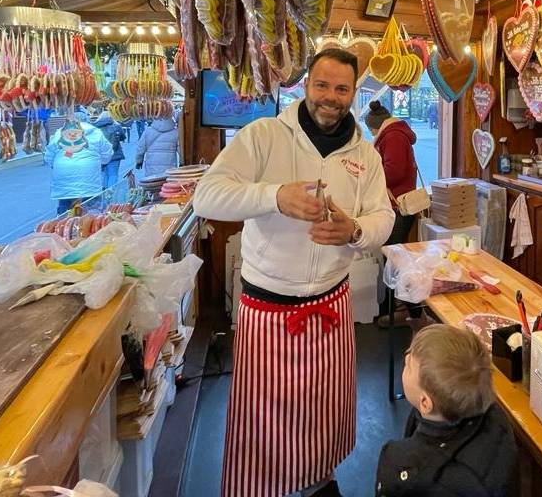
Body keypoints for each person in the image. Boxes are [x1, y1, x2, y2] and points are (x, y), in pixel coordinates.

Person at [193, 48, 394, 497]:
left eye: (342, 89)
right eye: (322, 85)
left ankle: (320, 482)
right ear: (306, 85)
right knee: (264, 421)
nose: (330, 97)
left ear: (353, 94)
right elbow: (207, 196)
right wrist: (275, 196)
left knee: (323, 413)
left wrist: (356, 230)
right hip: (268, 308)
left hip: (331, 304)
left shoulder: (366, 154)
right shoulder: (264, 135)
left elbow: (384, 216)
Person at [375, 324, 518, 496]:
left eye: (408, 364)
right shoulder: (498, 420)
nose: (406, 355)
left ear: (425, 402)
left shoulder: (400, 465)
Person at [364, 101, 427, 329]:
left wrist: (369, 175)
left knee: (396, 260)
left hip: (399, 207)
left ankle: (408, 312)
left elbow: (395, 171)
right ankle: (402, 310)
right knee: (394, 258)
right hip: (396, 206)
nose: (371, 132)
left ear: (377, 125)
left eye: (371, 129)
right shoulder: (395, 134)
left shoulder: (393, 137)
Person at [44, 119, 113, 215]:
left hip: (64, 184)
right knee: (91, 213)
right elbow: (107, 155)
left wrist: (57, 165)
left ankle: (63, 222)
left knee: (64, 213)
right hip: (89, 182)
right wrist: (98, 162)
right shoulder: (96, 133)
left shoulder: (59, 134)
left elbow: (48, 157)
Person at [93, 110, 126, 188]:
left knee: (104, 173)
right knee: (113, 174)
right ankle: (111, 192)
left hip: (102, 154)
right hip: (115, 154)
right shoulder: (116, 126)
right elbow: (123, 137)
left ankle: (104, 191)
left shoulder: (96, 128)